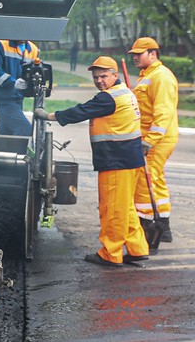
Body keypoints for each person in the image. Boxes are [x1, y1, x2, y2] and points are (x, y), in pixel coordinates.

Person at [33, 56, 148, 267]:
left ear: (115, 75)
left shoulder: (108, 98)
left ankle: (111, 253)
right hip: (130, 159)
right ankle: (137, 248)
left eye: (104, 76)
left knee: (113, 208)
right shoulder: (124, 93)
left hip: (116, 161)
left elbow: (80, 111)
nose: (99, 81)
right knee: (126, 207)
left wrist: (49, 116)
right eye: (96, 77)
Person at [128, 36, 178, 247]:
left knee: (148, 179)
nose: (135, 58)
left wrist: (149, 141)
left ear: (153, 54)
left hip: (157, 139)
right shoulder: (148, 75)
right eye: (133, 55)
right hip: (151, 137)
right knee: (153, 178)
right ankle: (161, 225)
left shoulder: (161, 76)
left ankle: (154, 225)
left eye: (139, 54)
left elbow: (163, 112)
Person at [0, 39, 39, 136]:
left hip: (18, 98)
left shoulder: (33, 49)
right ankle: (22, 151)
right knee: (25, 129)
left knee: (6, 133)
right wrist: (13, 82)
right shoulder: (1, 45)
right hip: (1, 98)